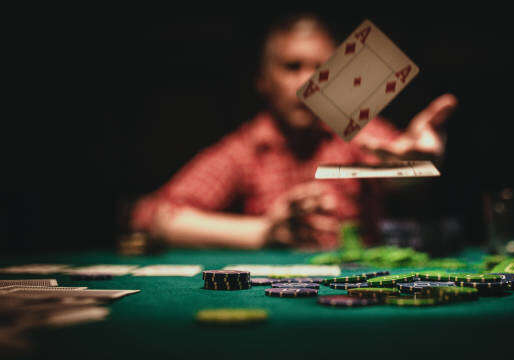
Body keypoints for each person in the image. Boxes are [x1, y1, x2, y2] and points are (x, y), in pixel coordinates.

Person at [130, 13, 458, 250]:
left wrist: (419, 160)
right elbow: (152, 217)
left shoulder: (358, 131)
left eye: (321, 67)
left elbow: (402, 174)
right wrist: (264, 232)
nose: (308, 82)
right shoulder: (245, 148)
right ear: (262, 80)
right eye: (292, 67)